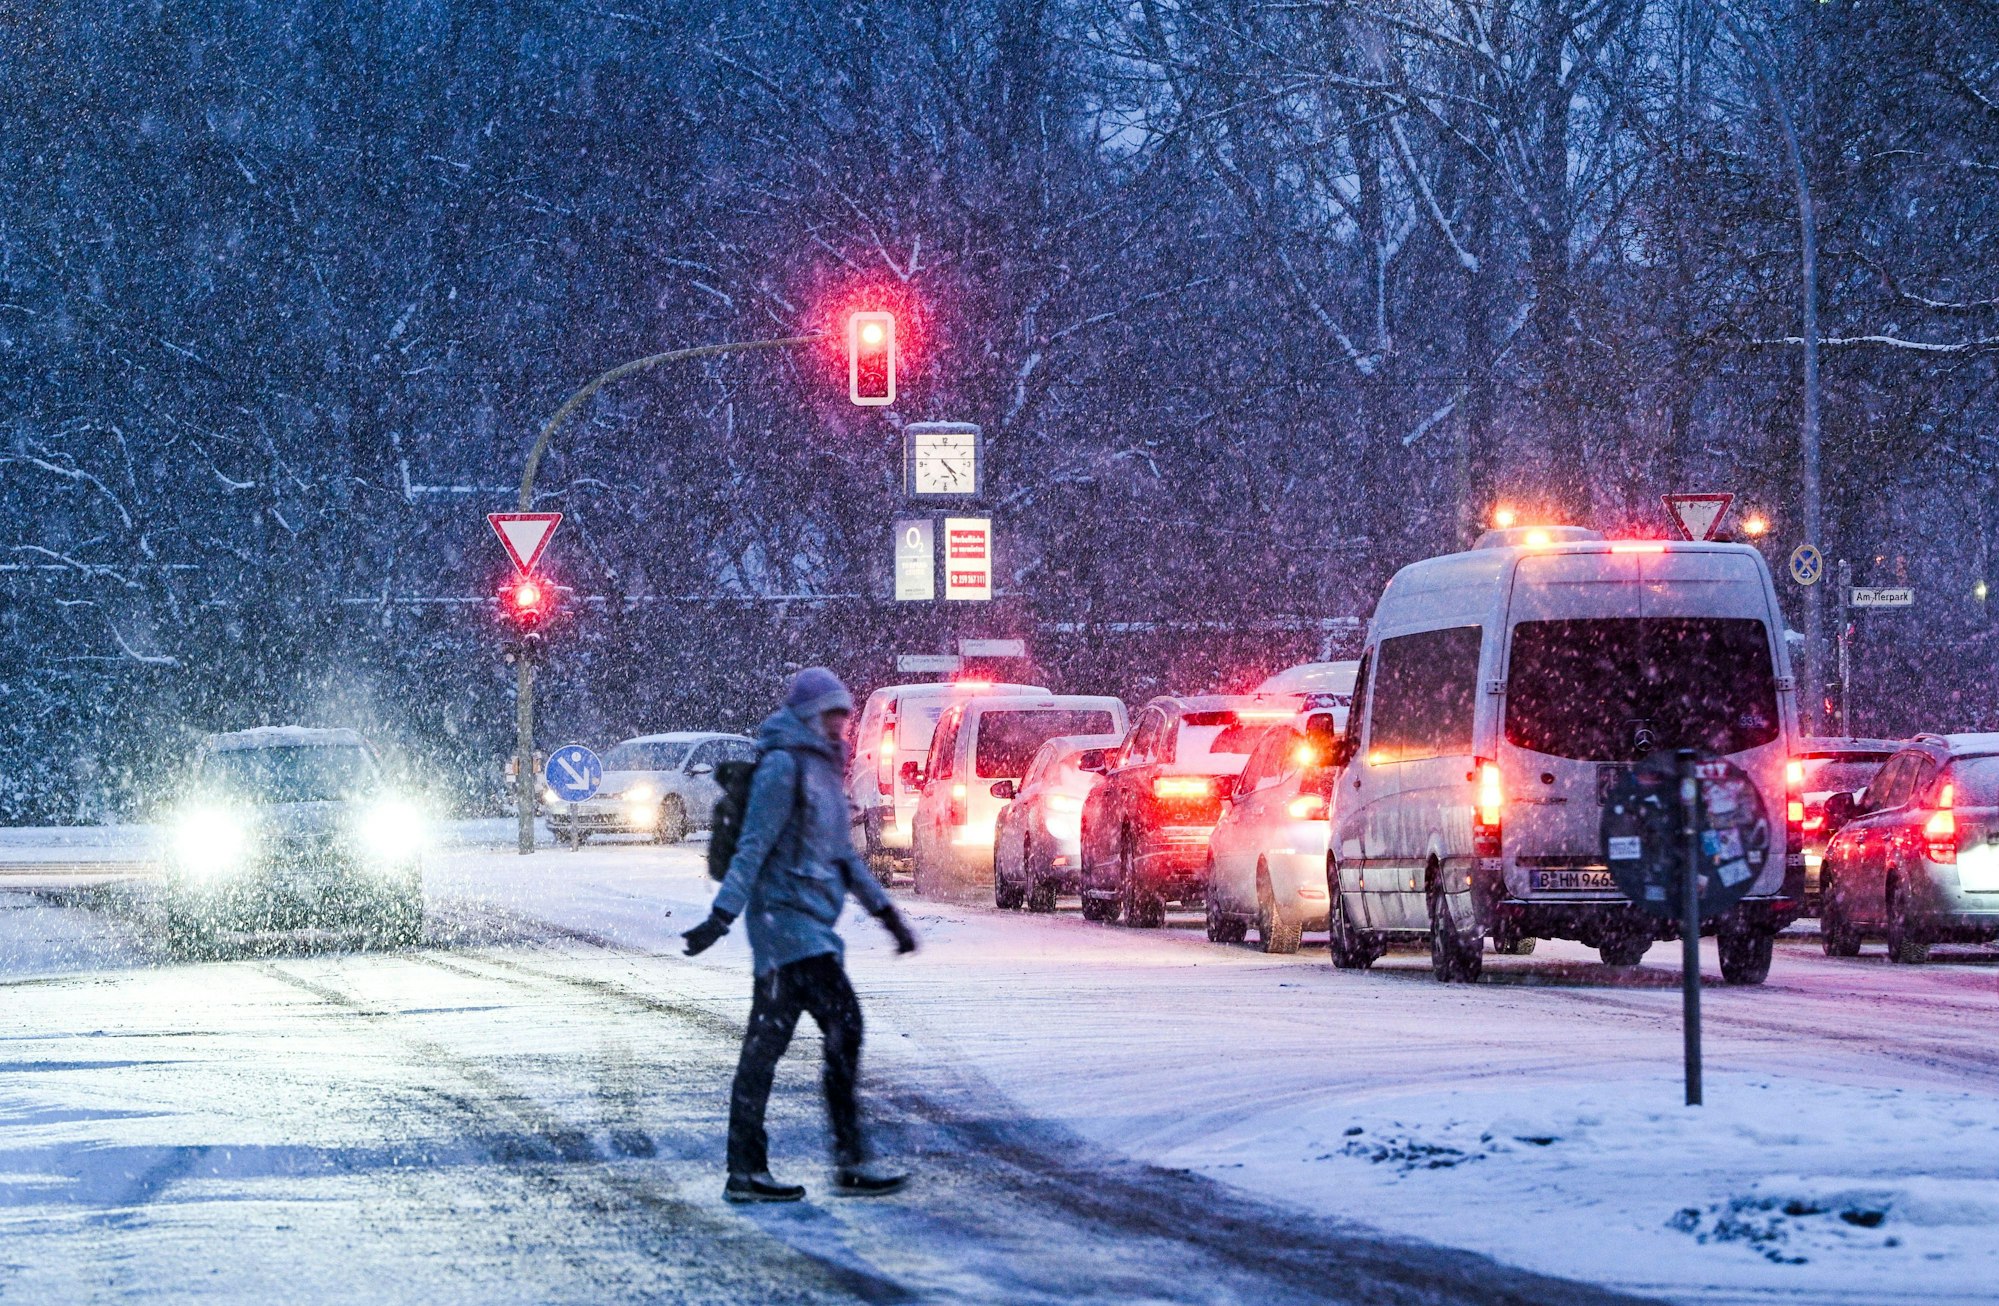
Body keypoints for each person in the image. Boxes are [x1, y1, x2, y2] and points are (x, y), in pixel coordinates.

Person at [682, 667, 920, 1203]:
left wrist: (888, 916)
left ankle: (750, 1169)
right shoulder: (783, 766)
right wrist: (721, 918)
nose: (840, 723)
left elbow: (843, 856)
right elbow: (753, 848)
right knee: (842, 1024)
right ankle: (845, 1160)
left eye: (844, 713)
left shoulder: (826, 770)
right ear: (808, 715)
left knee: (767, 1046)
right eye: (830, 713)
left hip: (809, 926)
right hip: (781, 924)